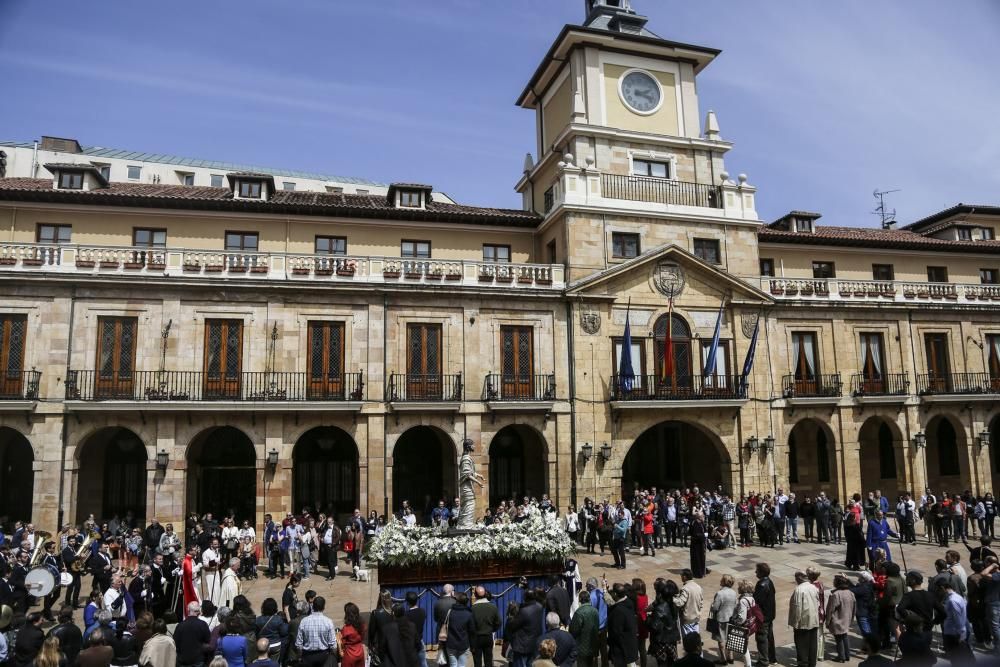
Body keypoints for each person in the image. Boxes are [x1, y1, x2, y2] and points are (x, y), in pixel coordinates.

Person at [788, 571, 819, 667]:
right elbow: (818, 603)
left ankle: (803, 664)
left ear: (800, 578)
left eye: (796, 578)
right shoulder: (813, 587)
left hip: (802, 622)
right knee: (812, 644)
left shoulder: (799, 589)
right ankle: (812, 663)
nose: (795, 580)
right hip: (813, 620)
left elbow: (797, 607)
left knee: (801, 645)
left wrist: (795, 623)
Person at [294, 596, 336, 667]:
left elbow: (299, 644)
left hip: (307, 657)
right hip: (324, 657)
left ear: (312, 606)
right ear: (323, 607)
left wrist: (299, 657)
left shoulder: (304, 621)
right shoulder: (328, 622)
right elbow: (333, 645)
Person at [507, 588, 544, 667]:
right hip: (534, 643)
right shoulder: (539, 607)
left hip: (522, 646)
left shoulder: (524, 611)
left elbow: (512, 626)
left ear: (525, 598)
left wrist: (510, 617)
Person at [825, 575, 855, 663]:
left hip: (837, 620)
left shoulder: (836, 594)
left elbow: (830, 609)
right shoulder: (850, 593)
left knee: (839, 639)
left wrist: (827, 621)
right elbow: (854, 607)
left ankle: (841, 656)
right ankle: (847, 655)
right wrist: (851, 618)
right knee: (845, 637)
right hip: (847, 619)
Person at [606, 583, 637, 667]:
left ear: (615, 594)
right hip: (630, 647)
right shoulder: (629, 602)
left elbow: (616, 632)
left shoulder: (618, 611)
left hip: (622, 650)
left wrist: (608, 641)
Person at [443, 592, 477, 667]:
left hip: (451, 643)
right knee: (461, 665)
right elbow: (472, 632)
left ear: (457, 601)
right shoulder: (469, 614)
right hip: (464, 644)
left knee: (453, 664)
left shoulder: (449, 612)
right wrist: (473, 646)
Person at [708, 574, 736, 665]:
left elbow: (715, 608)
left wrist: (711, 606)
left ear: (724, 582)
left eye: (721, 579)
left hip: (721, 618)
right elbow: (735, 605)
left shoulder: (720, 593)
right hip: (731, 618)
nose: (720, 580)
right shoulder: (734, 592)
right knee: (729, 637)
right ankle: (731, 657)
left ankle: (723, 659)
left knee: (721, 639)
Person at [470, 586, 500, 667]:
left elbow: (470, 626)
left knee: (477, 661)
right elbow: (498, 623)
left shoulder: (472, 608)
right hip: (488, 636)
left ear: (475, 595)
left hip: (476, 638)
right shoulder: (493, 607)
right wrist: (492, 629)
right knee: (488, 660)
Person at [175, 602, 212, 667]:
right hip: (198, 661)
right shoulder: (203, 625)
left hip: (183, 661)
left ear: (188, 610)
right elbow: (208, 641)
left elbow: (176, 643)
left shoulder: (180, 626)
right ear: (199, 612)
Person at [569, 590, 599, 667]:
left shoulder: (579, 612)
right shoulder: (595, 611)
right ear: (589, 599)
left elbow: (574, 630)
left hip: (581, 648)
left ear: (580, 600)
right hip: (593, 646)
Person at [673, 570, 703, 636]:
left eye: (681, 576)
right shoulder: (698, 587)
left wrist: (672, 598)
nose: (681, 577)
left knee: (687, 640)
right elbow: (701, 601)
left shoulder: (685, 588)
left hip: (687, 619)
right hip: (696, 617)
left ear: (685, 577)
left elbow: (680, 603)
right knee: (695, 638)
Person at [338, 602, 365, 667]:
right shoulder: (362, 625)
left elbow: (342, 643)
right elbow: (362, 637)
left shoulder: (346, 628)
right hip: (360, 652)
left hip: (349, 655)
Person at [688, 513, 708, 579]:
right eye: (703, 516)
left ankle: (702, 571)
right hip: (695, 545)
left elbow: (704, 531)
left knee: (701, 558)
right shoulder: (694, 523)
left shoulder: (701, 523)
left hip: (700, 544)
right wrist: (703, 535)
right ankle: (697, 573)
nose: (704, 517)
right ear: (699, 517)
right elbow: (696, 534)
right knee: (697, 559)